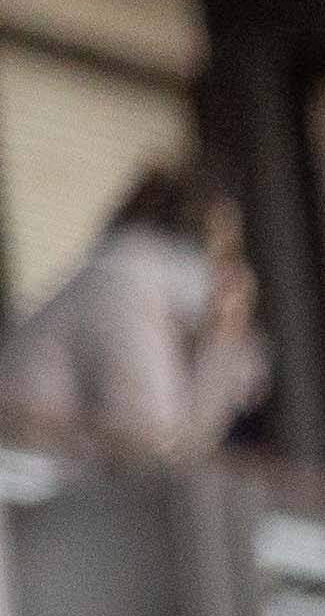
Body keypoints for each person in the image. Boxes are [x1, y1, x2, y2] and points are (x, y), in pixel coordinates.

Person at [0, 161, 262, 469]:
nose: (233, 277)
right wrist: (222, 339)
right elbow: (156, 455)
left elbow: (176, 450)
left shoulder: (129, 285)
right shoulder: (124, 285)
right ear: (186, 247)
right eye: (224, 255)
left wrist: (222, 342)